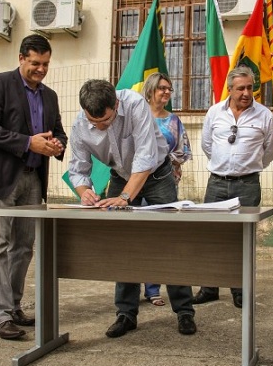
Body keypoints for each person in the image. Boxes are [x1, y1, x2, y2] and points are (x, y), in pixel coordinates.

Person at [67, 79, 197, 338]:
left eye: (105, 121)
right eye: (94, 122)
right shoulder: (82, 123)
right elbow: (78, 168)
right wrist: (86, 194)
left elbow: (146, 157)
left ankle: (184, 311)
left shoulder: (135, 104)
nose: (99, 127)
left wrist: (125, 197)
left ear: (115, 104)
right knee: (122, 243)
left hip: (157, 175)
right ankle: (126, 313)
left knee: (171, 240)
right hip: (120, 175)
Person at [0, 34, 67, 341]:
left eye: (46, 64)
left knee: (23, 246)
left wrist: (57, 144)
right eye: (35, 63)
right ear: (21, 58)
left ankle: (13, 306)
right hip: (0, 179)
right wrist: (27, 142)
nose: (41, 69)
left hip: (33, 180)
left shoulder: (49, 95)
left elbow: (59, 131)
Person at [193, 66, 273, 308]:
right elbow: (207, 145)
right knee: (212, 238)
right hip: (217, 183)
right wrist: (224, 165)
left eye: (250, 88)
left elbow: (268, 151)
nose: (246, 93)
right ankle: (209, 288)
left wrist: (246, 166)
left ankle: (240, 291)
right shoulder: (214, 113)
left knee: (243, 240)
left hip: (248, 185)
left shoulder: (264, 115)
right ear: (230, 89)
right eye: (241, 88)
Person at [140, 72, 193, 307]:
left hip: (166, 183)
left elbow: (184, 150)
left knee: (163, 236)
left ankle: (160, 288)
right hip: (139, 184)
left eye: (169, 89)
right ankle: (145, 288)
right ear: (150, 90)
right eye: (162, 88)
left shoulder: (174, 120)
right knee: (142, 238)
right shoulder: (138, 117)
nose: (166, 92)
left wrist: (163, 159)